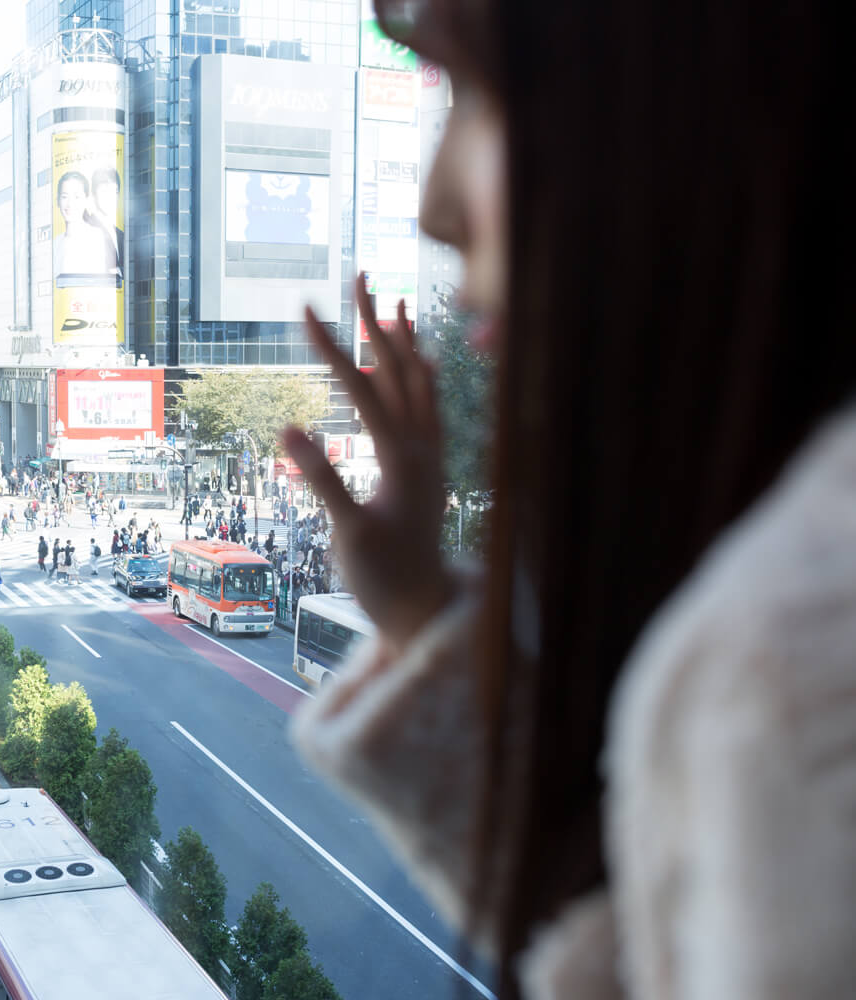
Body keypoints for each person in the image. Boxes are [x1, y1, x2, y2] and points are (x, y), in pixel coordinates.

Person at [285, 3, 855, 998]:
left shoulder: (788, 675)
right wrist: (421, 606)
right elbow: (649, 936)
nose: (432, 207)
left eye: (478, 95)